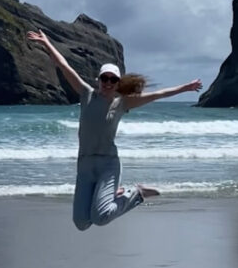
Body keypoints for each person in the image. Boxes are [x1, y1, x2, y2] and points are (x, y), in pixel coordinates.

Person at [26, 29, 202, 231]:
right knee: (82, 223)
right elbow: (64, 66)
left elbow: (158, 94)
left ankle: (136, 193)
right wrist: (46, 42)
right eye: (104, 78)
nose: (108, 83)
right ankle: (112, 194)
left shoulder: (123, 103)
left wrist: (186, 87)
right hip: (84, 166)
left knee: (100, 217)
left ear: (118, 83)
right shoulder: (87, 94)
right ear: (98, 80)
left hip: (107, 165)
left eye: (112, 79)